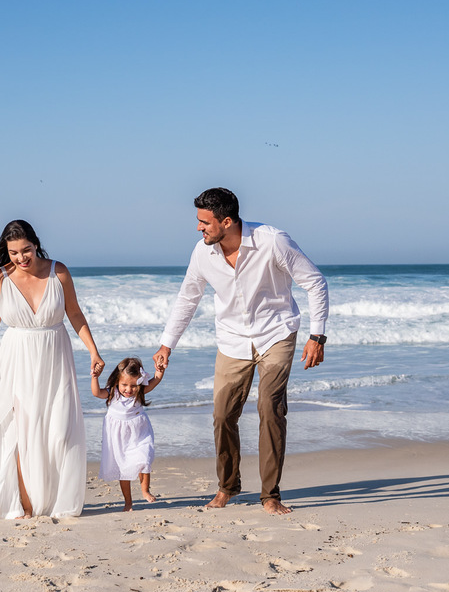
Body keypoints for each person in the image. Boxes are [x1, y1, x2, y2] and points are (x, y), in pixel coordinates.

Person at [153, 187, 329, 515]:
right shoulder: (202, 253)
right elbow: (187, 298)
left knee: (269, 408)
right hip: (232, 339)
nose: (198, 228)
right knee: (222, 416)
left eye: (204, 222)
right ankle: (228, 486)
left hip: (276, 333)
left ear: (228, 221)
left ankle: (270, 494)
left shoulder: (273, 241)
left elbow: (315, 282)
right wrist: (167, 345)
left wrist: (317, 336)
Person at [0, 219, 104, 519]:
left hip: (55, 354)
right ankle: (23, 503)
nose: (20, 258)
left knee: (57, 428)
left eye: (26, 250)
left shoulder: (59, 272)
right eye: (13, 252)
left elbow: (74, 314)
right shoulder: (1, 277)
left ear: (36, 244)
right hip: (16, 357)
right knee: (19, 429)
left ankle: (51, 496)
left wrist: (93, 351)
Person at [90, 356, 164, 511]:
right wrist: (95, 378)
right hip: (118, 436)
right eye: (124, 385)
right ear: (117, 380)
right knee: (124, 469)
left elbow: (156, 381)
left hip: (139, 431)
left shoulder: (140, 392)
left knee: (145, 458)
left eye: (133, 386)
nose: (129, 390)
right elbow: (96, 393)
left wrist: (160, 371)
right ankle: (128, 502)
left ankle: (145, 490)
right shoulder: (112, 393)